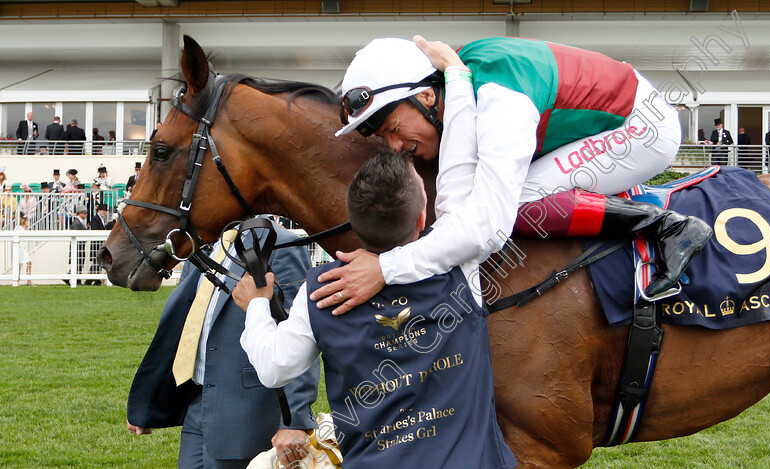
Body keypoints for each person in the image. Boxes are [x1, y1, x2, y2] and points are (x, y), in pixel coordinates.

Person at [321, 36, 711, 312]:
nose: (393, 146)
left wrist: (386, 269)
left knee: (519, 201)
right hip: (614, 107)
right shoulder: (455, 77)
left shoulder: (499, 101)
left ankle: (665, 226)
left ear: (425, 97)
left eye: (391, 128)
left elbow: (487, 228)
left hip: (642, 127)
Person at [236, 151, 517, 469]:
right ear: (422, 218)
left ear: (354, 221)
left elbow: (274, 367)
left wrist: (257, 303)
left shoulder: (322, 287)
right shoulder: (460, 263)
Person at [127, 218, 320, 468]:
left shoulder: (281, 243)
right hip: (198, 406)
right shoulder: (206, 242)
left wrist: (294, 421)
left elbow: (298, 334)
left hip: (248, 415)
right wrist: (148, 403)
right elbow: (183, 325)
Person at [15, 213, 35, 286]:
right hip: (19, 249)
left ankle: (28, 280)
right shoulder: (18, 228)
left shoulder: (22, 228)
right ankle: (16, 280)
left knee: (29, 263)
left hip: (23, 249)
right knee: (19, 265)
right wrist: (26, 228)